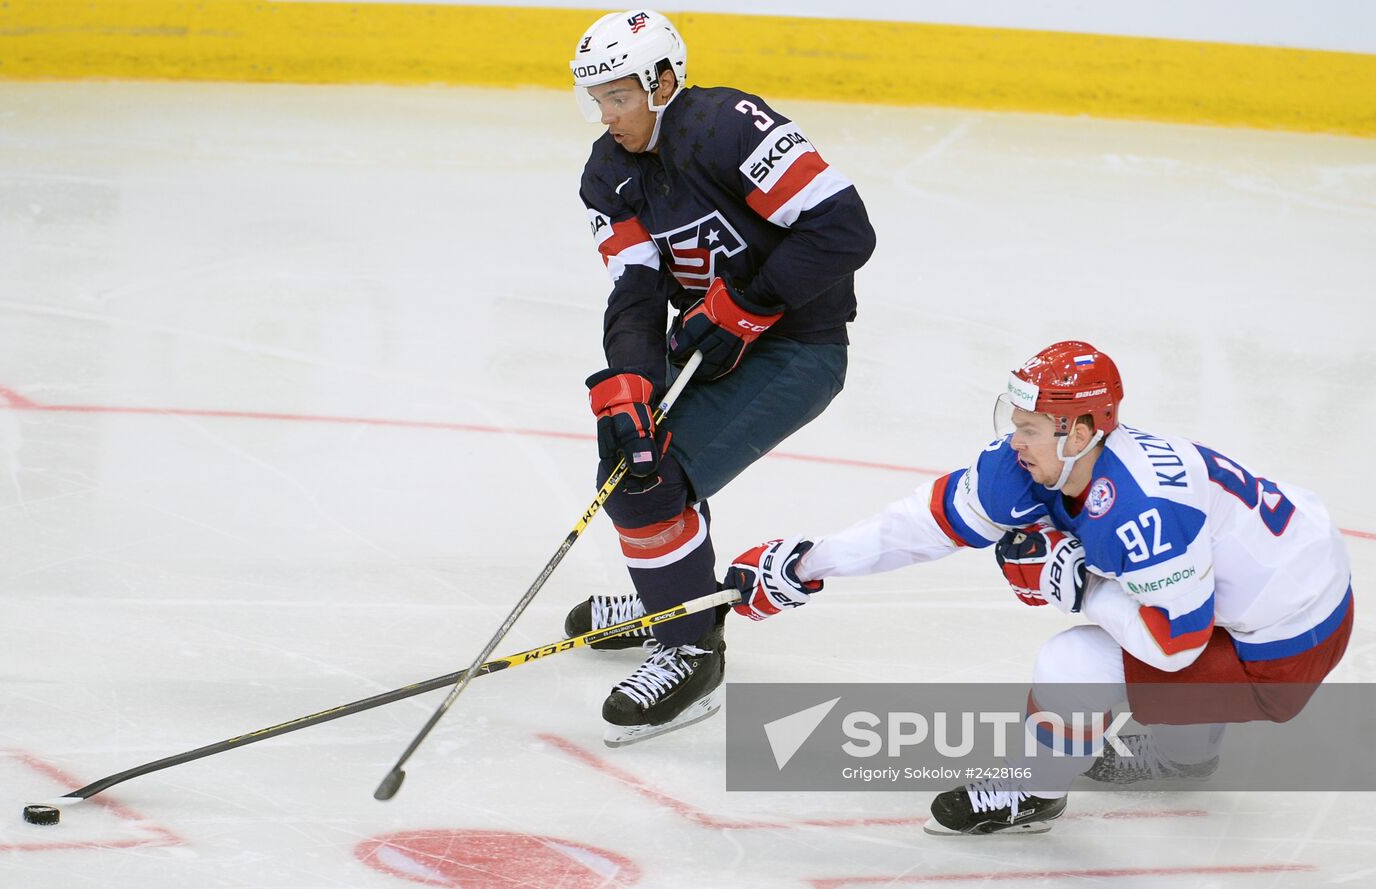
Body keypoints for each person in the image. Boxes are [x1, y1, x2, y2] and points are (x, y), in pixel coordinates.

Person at [724, 340, 1354, 834]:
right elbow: (921, 525)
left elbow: (1177, 646)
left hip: (1289, 645)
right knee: (1158, 611)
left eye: (1030, 426)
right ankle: (1189, 750)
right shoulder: (1048, 463)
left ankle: (1035, 790)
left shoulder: (1143, 513)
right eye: (1015, 420)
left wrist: (1080, 587)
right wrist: (809, 564)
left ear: (1080, 431)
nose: (1013, 439)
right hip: (1277, 575)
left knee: (1073, 663)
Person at [564, 9, 876, 747]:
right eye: (597, 101)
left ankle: (692, 649)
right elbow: (635, 293)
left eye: (620, 97)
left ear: (663, 81)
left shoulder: (728, 126)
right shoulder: (609, 174)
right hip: (712, 339)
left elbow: (844, 227)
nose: (608, 118)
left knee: (655, 480)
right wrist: (632, 381)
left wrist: (750, 300)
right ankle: (672, 603)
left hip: (799, 346)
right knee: (628, 456)